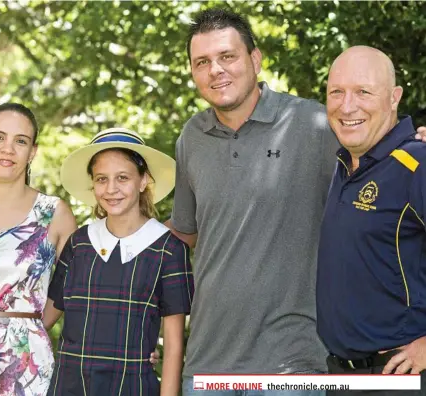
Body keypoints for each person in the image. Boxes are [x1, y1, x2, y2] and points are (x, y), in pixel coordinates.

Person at [164, 8, 426, 396]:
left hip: (295, 367)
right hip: (207, 366)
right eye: (202, 62)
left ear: (255, 59)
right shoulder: (192, 137)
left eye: (227, 56)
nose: (215, 69)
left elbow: (379, 143)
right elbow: (182, 235)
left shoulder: (319, 125)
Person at [44, 127, 194, 396]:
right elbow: (44, 319)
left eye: (122, 178)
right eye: (102, 179)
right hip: (68, 387)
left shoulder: (169, 250)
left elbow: (173, 348)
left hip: (132, 387)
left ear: (143, 180)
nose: (111, 189)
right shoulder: (79, 243)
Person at [316, 46, 426, 395]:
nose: (347, 106)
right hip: (341, 375)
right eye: (337, 92)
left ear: (394, 98)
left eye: (363, 91)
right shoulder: (345, 165)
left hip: (398, 379)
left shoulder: (417, 165)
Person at [0, 103, 77, 396]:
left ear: (33, 152)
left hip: (26, 366)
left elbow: (75, 293)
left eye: (20, 141)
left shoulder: (55, 213)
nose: (8, 149)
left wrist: (28, 326)